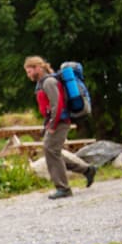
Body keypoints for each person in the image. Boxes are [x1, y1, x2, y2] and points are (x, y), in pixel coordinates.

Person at [23, 56, 97, 199]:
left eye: (29, 71)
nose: (29, 75)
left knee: (50, 150)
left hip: (60, 122)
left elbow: (57, 105)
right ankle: (87, 170)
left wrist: (52, 125)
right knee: (53, 152)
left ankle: (63, 188)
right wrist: (46, 124)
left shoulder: (49, 82)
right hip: (54, 121)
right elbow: (48, 107)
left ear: (38, 68)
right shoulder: (41, 83)